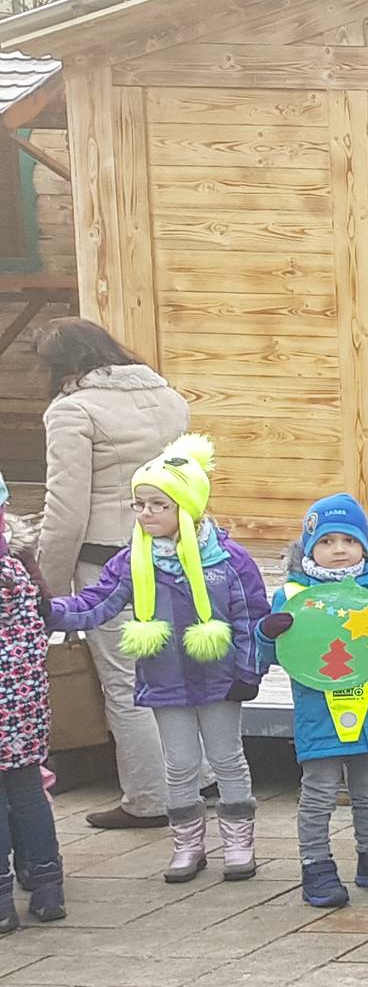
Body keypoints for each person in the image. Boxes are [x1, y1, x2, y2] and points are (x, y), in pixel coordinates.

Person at [46, 435, 269, 883]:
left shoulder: (229, 560)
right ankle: (187, 844)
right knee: (180, 763)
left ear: (186, 508)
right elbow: (98, 601)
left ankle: (239, 842)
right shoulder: (132, 561)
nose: (145, 513)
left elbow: (251, 617)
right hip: (165, 678)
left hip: (222, 679)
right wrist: (49, 609)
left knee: (228, 758)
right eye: (139, 504)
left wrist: (250, 668)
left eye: (157, 505)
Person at [33, 319, 184, 831]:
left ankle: (149, 798)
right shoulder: (167, 396)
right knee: (177, 672)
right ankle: (198, 779)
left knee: (127, 684)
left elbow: (66, 509)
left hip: (107, 560)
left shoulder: (72, 410)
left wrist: (46, 588)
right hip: (173, 552)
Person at [262, 494, 368, 907]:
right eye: (327, 541)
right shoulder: (293, 594)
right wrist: (269, 632)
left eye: (348, 540)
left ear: (365, 547)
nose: (339, 550)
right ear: (309, 546)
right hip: (319, 715)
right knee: (318, 794)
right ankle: (316, 867)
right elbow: (272, 655)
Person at [0, 496, 64, 930]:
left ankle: (2, 903)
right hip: (24, 704)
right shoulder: (20, 562)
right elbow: (46, 612)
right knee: (27, 796)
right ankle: (47, 889)